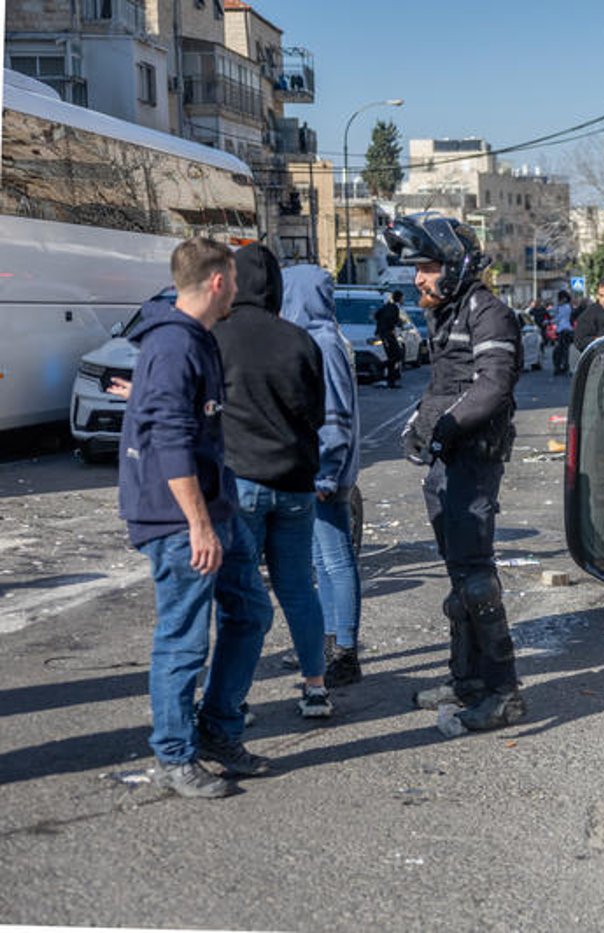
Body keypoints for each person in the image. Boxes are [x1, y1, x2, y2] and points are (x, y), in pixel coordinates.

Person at [118, 236, 276, 798]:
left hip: (216, 506)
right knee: (184, 639)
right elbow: (169, 442)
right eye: (232, 278)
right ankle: (174, 754)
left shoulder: (195, 339)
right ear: (216, 281)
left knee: (251, 614)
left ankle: (217, 731)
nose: (237, 287)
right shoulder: (174, 345)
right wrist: (198, 526)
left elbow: (175, 413)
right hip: (179, 520)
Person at [384, 212, 527, 732]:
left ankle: (503, 690)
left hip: (474, 461)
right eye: (416, 268)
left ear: (455, 264)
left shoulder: (488, 313)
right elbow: (445, 385)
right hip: (447, 463)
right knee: (458, 578)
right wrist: (417, 428)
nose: (418, 278)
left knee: (476, 579)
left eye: (426, 266)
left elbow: (491, 387)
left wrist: (443, 429)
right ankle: (465, 679)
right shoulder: (447, 312)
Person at [213, 245, 332, 719]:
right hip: (296, 484)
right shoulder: (300, 340)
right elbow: (317, 415)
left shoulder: (216, 338)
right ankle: (316, 688)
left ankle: (234, 699)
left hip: (240, 483)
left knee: (240, 597)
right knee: (299, 587)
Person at [281, 264, 364, 687]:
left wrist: (327, 473)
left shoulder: (323, 342)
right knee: (321, 560)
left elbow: (335, 419)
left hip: (326, 473)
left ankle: (345, 650)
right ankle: (331, 642)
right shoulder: (317, 337)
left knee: (335, 558)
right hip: (318, 470)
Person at [373, 290, 405, 388]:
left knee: (393, 356)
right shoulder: (393, 307)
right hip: (387, 334)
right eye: (402, 298)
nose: (403, 300)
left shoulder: (388, 306)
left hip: (386, 334)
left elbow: (376, 315)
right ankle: (381, 366)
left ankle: (391, 381)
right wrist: (395, 324)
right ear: (399, 298)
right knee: (396, 355)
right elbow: (390, 319)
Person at [550, 289, 573, 375]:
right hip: (562, 330)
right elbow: (553, 312)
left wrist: (550, 322)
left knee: (561, 350)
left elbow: (558, 318)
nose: (559, 301)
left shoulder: (566, 307)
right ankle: (562, 366)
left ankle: (563, 366)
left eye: (560, 299)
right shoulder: (562, 307)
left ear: (564, 299)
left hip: (564, 330)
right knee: (563, 350)